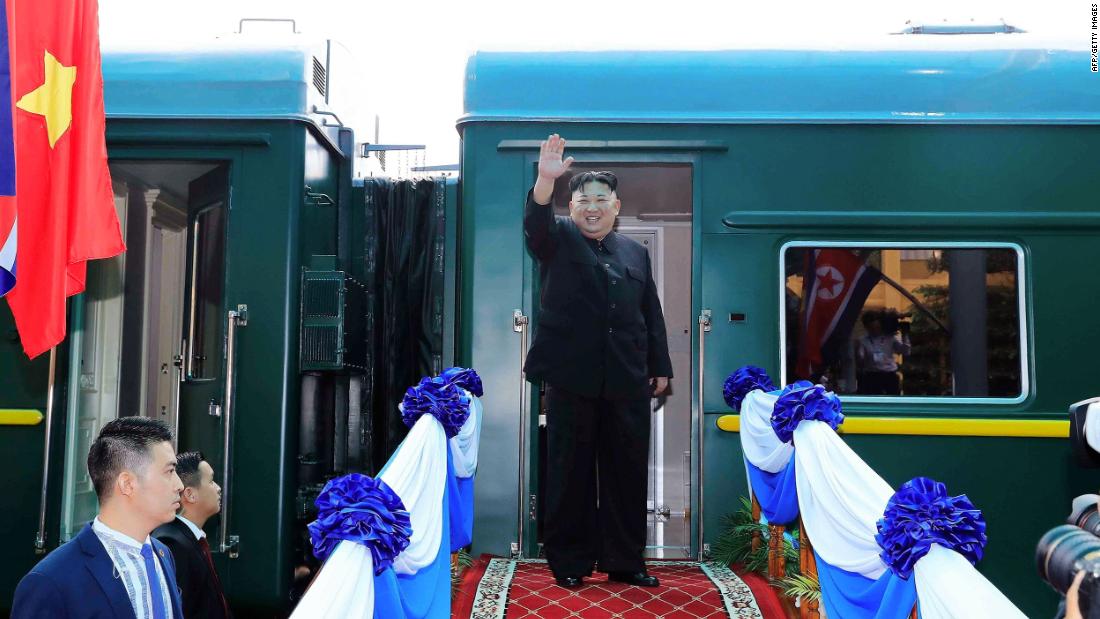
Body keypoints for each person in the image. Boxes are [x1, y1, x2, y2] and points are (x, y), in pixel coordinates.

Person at [523, 134, 673, 589]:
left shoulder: (636, 253)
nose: (591, 207)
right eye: (582, 199)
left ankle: (625, 561)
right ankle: (569, 562)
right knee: (569, 472)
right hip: (572, 378)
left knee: (627, 472)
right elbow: (536, 224)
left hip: (627, 380)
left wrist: (660, 366)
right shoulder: (560, 238)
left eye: (600, 200)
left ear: (616, 205)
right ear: (572, 207)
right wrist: (544, 183)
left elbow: (650, 311)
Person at [12, 416, 184, 618]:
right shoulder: (51, 580)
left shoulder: (162, 555)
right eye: (170, 471)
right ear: (127, 484)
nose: (180, 485)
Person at [153, 451, 232, 618]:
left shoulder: (190, 538)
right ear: (189, 494)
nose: (218, 488)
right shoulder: (172, 544)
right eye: (211, 481)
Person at [856, 310, 911, 395]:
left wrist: (905, 335)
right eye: (871, 328)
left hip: (889, 375)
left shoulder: (890, 338)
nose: (875, 330)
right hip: (872, 376)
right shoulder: (863, 341)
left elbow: (906, 351)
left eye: (877, 327)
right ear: (867, 327)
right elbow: (860, 359)